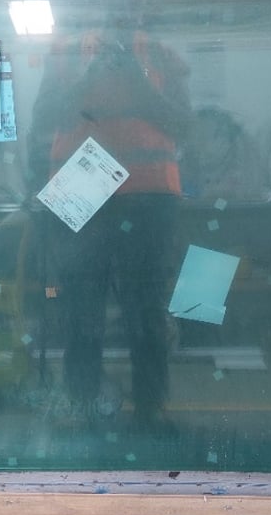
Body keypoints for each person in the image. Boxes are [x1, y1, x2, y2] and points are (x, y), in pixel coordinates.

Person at [29, 28, 189, 431]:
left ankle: (151, 413)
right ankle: (82, 408)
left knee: (146, 312)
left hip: (147, 195)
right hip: (89, 189)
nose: (119, 9)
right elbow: (44, 119)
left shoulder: (159, 51)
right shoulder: (66, 52)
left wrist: (136, 79)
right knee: (80, 311)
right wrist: (87, 78)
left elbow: (185, 125)